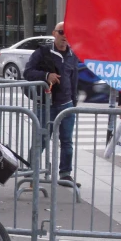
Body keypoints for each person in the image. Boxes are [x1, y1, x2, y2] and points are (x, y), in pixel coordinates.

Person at [24, 22, 81, 187]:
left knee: (67, 141)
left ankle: (65, 174)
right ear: (54, 33)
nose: (65, 36)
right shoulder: (42, 53)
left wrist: (74, 103)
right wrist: (46, 75)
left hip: (67, 105)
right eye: (61, 32)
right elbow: (27, 72)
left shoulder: (72, 55)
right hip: (45, 105)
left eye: (68, 33)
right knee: (41, 140)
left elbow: (74, 80)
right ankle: (31, 174)